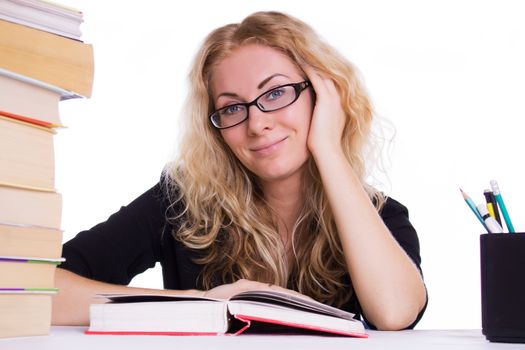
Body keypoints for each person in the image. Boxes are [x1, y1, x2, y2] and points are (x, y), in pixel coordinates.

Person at [53, 11, 427, 330]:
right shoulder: (181, 201)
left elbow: (394, 313)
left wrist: (327, 147)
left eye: (276, 93)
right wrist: (199, 304)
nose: (256, 124)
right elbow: (36, 290)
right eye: (232, 108)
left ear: (323, 94)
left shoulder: (381, 217)